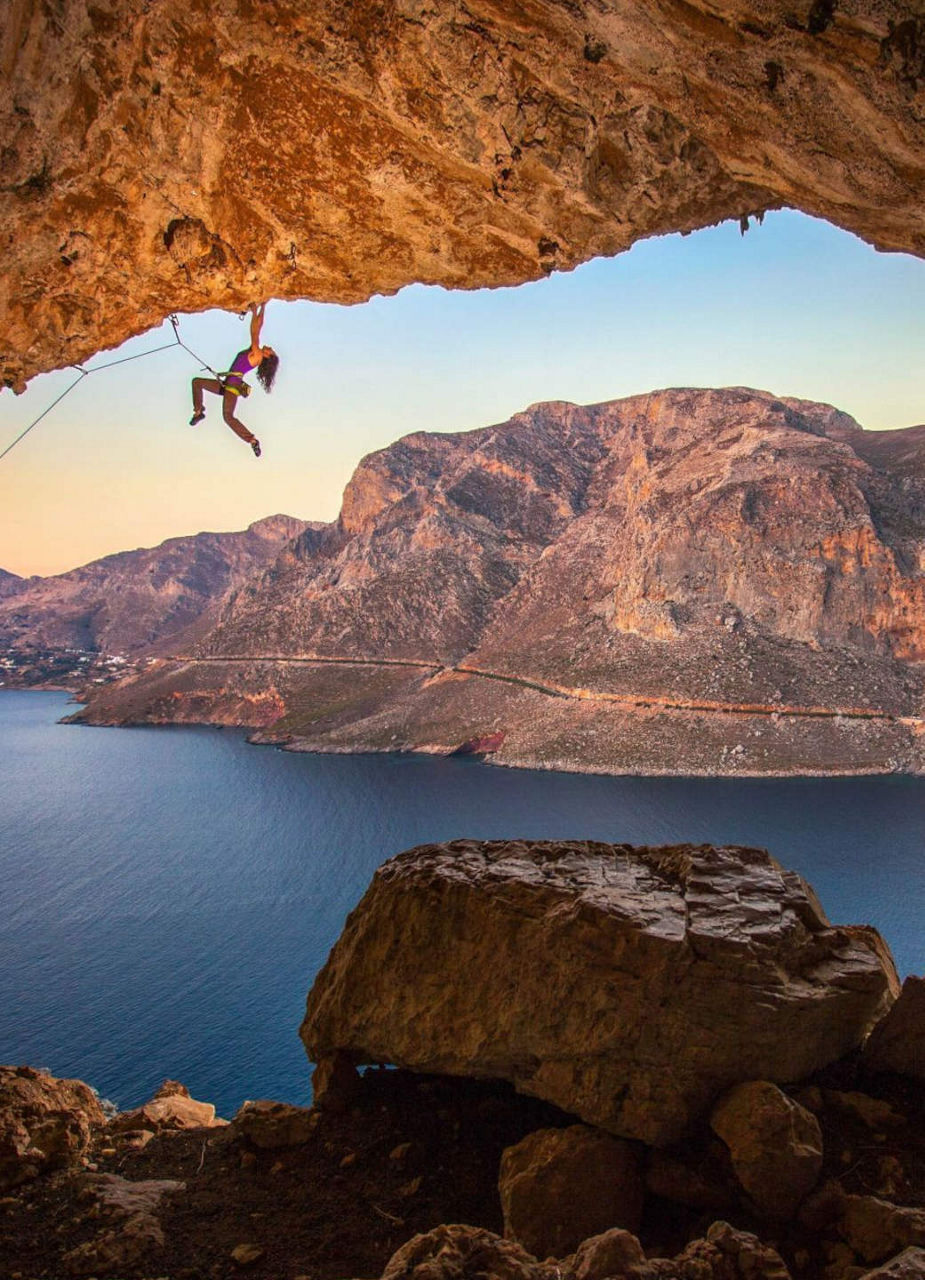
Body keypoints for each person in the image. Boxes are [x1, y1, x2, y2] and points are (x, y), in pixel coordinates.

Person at [189, 303, 279, 457]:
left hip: (232, 387)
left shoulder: (256, 355)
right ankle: (198, 412)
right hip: (226, 384)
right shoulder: (255, 352)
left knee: (228, 416)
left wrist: (254, 310)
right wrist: (262, 306)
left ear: (267, 356)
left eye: (271, 350)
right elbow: (259, 328)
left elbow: (254, 332)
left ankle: (252, 440)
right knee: (197, 382)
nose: (270, 347)